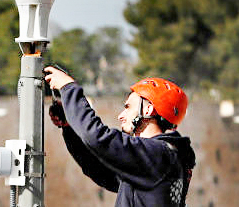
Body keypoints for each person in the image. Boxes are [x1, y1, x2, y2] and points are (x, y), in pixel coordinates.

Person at [43, 66, 196, 206]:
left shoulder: (159, 155)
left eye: (128, 107)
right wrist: (69, 128)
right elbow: (98, 169)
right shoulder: (160, 159)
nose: (121, 116)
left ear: (149, 110)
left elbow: (97, 138)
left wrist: (68, 87)